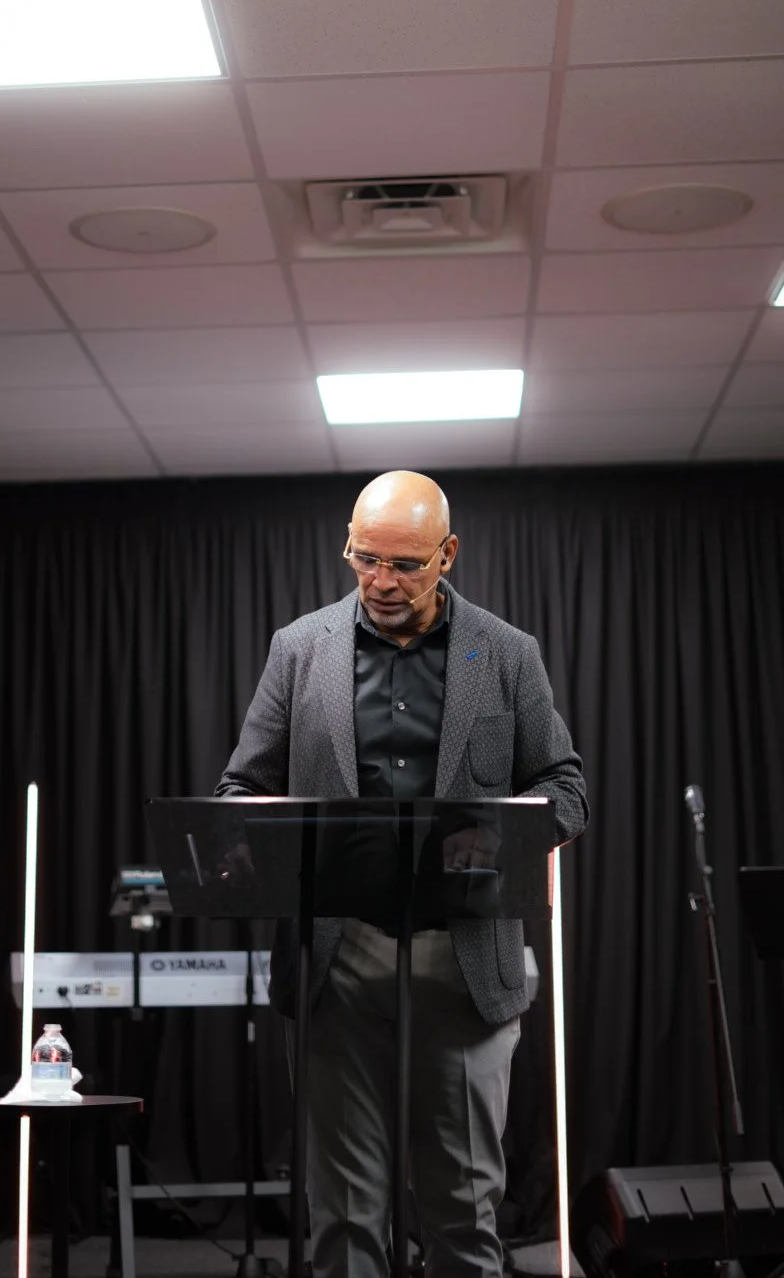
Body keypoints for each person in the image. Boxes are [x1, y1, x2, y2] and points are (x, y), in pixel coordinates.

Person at [215, 470, 588, 1278]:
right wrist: (247, 840)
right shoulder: (299, 648)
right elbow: (242, 787)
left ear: (447, 555)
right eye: (365, 558)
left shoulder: (508, 653)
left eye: (405, 564)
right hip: (336, 960)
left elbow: (566, 788)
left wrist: (502, 835)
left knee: (462, 1210)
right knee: (345, 1216)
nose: (381, 581)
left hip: (464, 959)